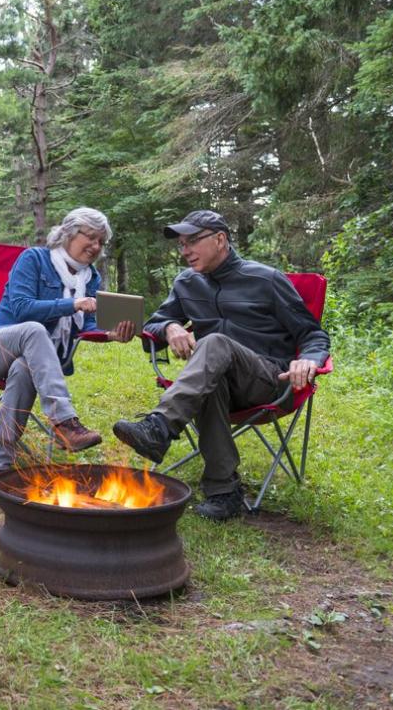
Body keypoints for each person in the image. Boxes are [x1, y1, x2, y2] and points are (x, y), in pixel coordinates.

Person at [111, 210, 330, 520]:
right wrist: (171, 326)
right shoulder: (187, 283)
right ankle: (223, 492)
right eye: (181, 245)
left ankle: (159, 427)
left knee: (212, 342)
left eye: (192, 242)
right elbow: (156, 325)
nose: (185, 251)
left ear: (220, 239)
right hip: (213, 380)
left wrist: (308, 360)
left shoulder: (266, 279)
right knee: (210, 378)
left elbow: (312, 334)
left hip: (268, 381)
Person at [0, 208, 135, 480]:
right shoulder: (34, 259)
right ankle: (64, 423)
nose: (95, 246)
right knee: (35, 330)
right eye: (91, 237)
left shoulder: (90, 278)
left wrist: (110, 334)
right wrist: (72, 304)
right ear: (69, 233)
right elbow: (22, 308)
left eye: (101, 242)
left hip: (30, 360)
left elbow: (88, 325)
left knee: (25, 369)